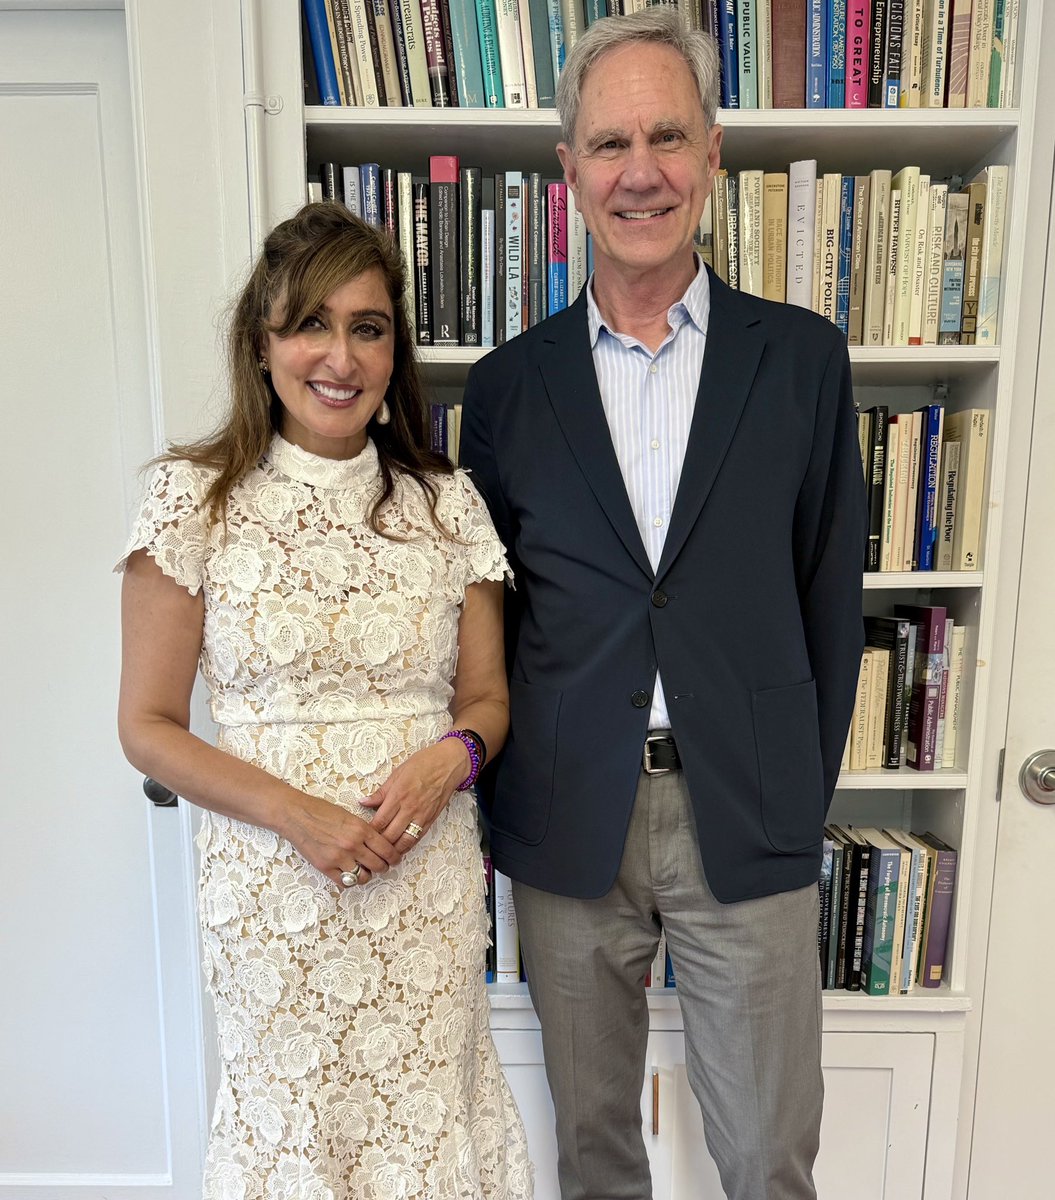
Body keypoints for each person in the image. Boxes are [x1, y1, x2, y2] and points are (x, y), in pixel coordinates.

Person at [459, 10, 865, 1200]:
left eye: (667, 137)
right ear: (567, 172)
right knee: (592, 1157)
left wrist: (796, 786)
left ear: (713, 155)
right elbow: (491, 617)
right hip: (568, 817)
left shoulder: (799, 361)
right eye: (609, 143)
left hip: (745, 806)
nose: (640, 171)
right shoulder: (504, 389)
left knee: (768, 1158)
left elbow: (825, 595)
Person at [117, 203, 532, 1199]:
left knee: (423, 1128)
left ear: (393, 352)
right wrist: (299, 817)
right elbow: (146, 727)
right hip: (270, 898)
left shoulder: (446, 504)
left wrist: (451, 760)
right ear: (261, 345)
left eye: (366, 326)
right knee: (294, 1132)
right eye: (309, 323)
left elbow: (485, 700)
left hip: (421, 886)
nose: (337, 356)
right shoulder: (192, 501)